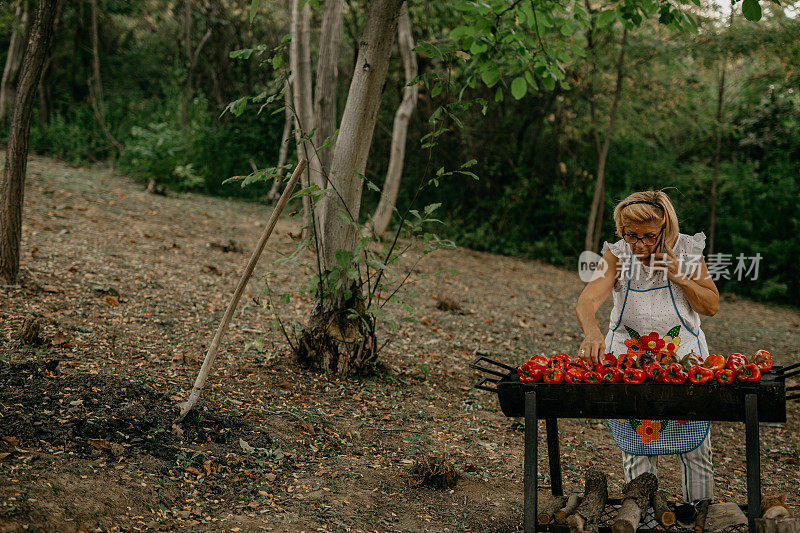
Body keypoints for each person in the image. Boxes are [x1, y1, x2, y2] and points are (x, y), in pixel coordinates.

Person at [575, 189, 720, 503]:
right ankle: (641, 517)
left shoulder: (689, 251)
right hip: (632, 369)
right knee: (638, 451)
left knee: (695, 451)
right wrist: (592, 332)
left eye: (649, 236)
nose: (639, 244)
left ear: (666, 229)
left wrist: (681, 277)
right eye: (631, 236)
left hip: (686, 368)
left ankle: (699, 512)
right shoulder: (617, 255)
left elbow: (710, 305)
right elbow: (588, 299)